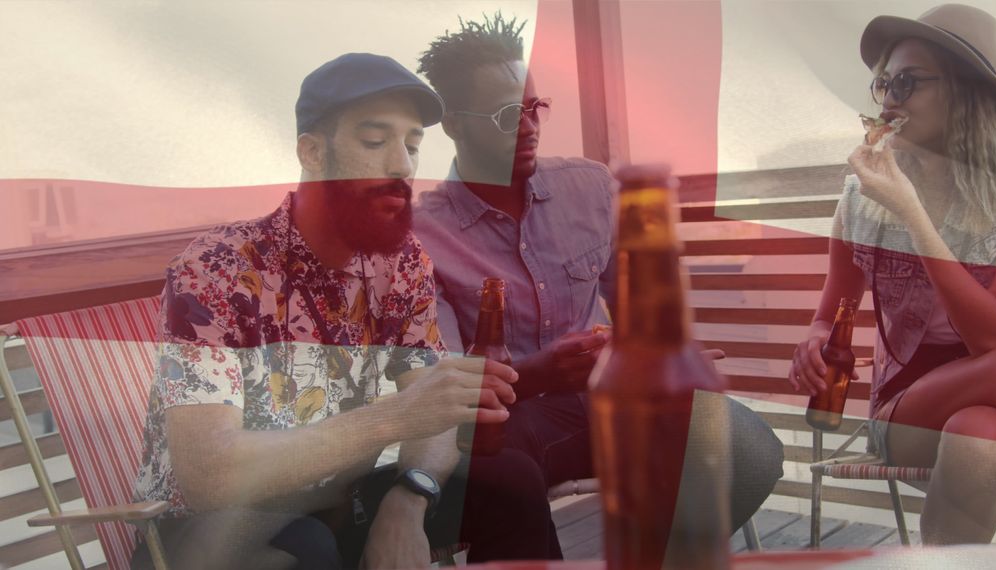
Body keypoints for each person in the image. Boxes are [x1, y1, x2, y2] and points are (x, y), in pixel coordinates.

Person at [131, 53, 557, 569]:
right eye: (375, 142)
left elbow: (432, 414)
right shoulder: (218, 268)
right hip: (214, 529)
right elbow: (209, 473)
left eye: (413, 145)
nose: (401, 164)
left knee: (511, 481)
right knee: (305, 546)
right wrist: (393, 419)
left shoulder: (399, 264)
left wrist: (409, 498)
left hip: (338, 496)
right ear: (311, 152)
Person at [413, 13, 785, 548]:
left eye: (534, 107)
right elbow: (450, 383)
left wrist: (663, 353)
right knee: (496, 476)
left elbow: (638, 311)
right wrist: (537, 373)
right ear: (452, 122)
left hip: (613, 398)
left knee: (746, 447)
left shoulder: (588, 187)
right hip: (516, 420)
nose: (528, 125)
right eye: (503, 115)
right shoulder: (423, 235)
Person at [789, 4, 996, 544]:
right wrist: (813, 342)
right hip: (907, 412)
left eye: (908, 81)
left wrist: (913, 217)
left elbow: (992, 331)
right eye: (883, 83)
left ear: (967, 91)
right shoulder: (865, 192)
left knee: (978, 436)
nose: (890, 97)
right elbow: (832, 312)